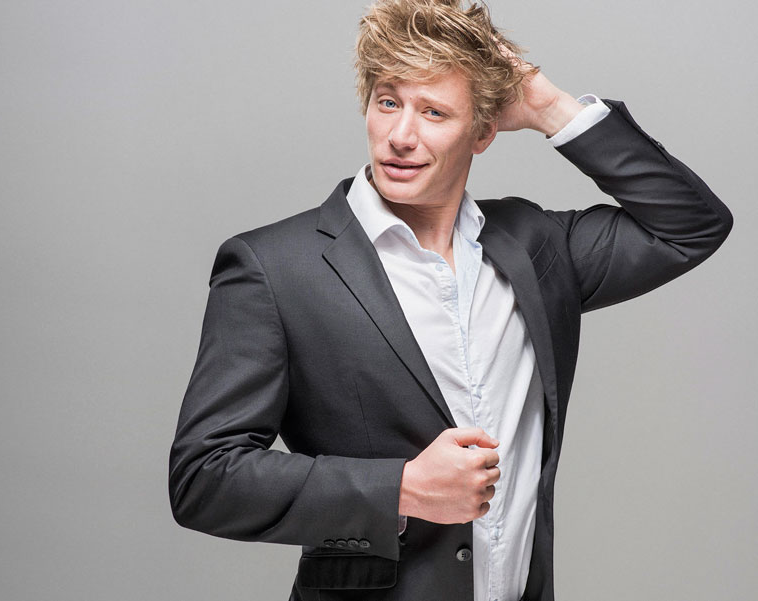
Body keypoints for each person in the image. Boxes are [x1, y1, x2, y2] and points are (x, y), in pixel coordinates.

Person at [168, 1, 733, 600]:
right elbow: (203, 477)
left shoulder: (537, 246)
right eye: (388, 102)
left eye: (434, 112)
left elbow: (691, 225)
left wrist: (549, 108)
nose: (400, 136)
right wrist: (401, 488)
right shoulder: (275, 268)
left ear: (483, 132)